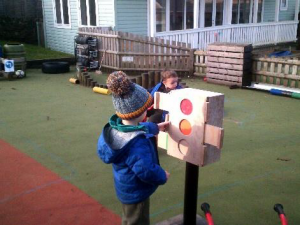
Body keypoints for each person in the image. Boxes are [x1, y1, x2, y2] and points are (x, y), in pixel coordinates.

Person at [97, 71, 170, 225]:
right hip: (136, 192)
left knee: (130, 218)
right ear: (140, 113)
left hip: (126, 187)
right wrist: (162, 175)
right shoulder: (136, 144)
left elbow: (135, 128)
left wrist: (155, 127)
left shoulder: (116, 128)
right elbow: (146, 170)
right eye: (145, 109)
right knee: (137, 220)